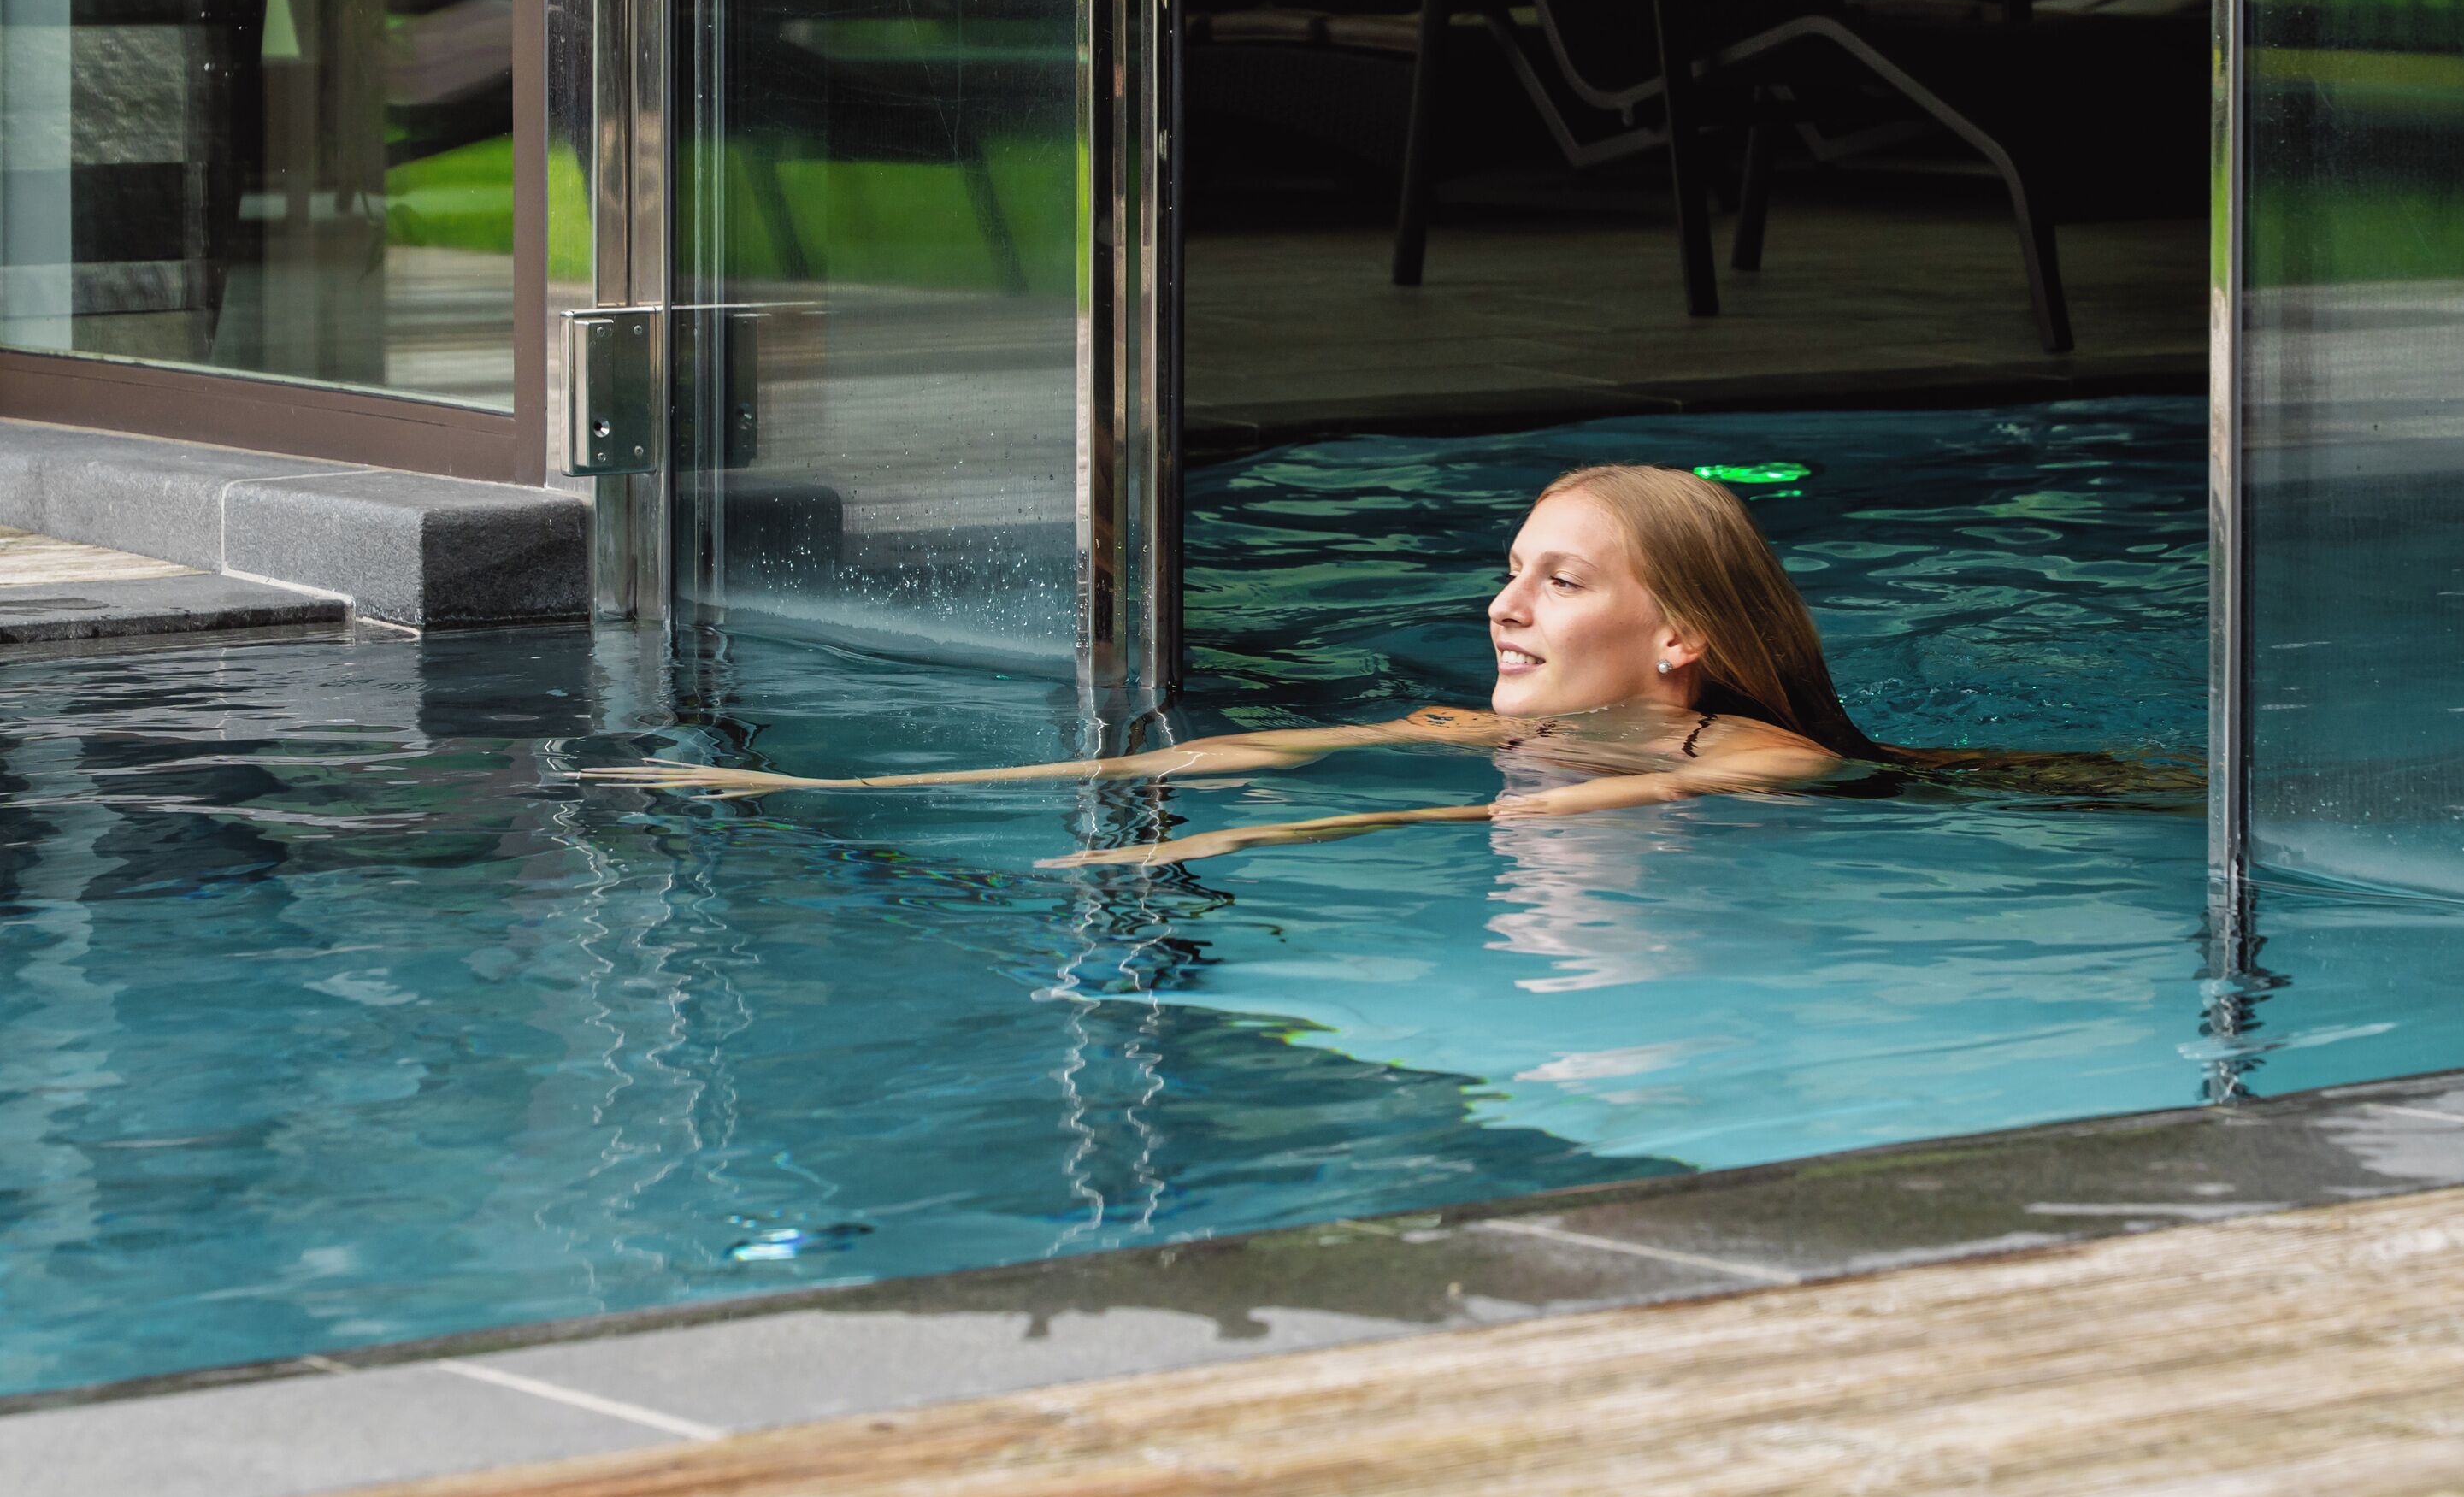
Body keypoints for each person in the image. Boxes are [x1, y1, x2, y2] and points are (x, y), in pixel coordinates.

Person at [582, 463, 2195, 869]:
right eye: (1508, 573)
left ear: (1682, 641)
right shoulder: (1465, 723)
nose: (1504, 606)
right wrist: (804, 781)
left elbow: (1430, 830)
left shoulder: (1756, 764)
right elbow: (1181, 762)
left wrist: (1234, 859)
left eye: (1557, 582)